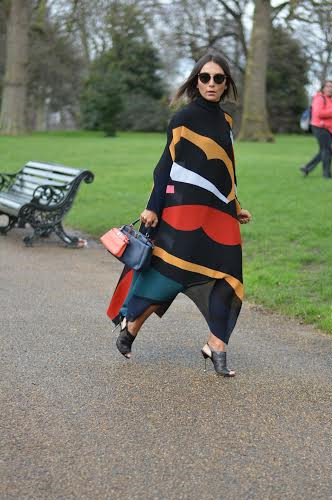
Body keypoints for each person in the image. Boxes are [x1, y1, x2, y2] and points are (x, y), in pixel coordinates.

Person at [107, 52, 252, 377]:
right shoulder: (183, 119)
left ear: (226, 83)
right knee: (167, 278)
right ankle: (130, 328)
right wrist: (152, 208)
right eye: (205, 78)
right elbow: (165, 167)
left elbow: (225, 170)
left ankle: (217, 345)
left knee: (229, 279)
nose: (212, 84)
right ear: (195, 81)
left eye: (219, 78)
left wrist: (236, 206)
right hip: (182, 214)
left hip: (219, 216)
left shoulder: (227, 121)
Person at [300, 81, 332, 179]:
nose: (330, 88)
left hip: (329, 128)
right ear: (323, 88)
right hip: (320, 127)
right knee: (327, 150)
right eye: (328, 86)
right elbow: (319, 113)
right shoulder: (319, 98)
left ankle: (307, 168)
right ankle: (327, 175)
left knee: (324, 150)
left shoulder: (330, 100)